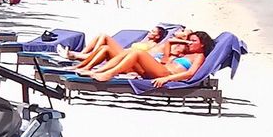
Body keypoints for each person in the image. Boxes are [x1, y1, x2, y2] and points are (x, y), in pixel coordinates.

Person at [79, 31, 215, 87]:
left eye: (193, 41)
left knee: (138, 53)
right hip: (159, 69)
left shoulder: (199, 56)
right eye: (189, 41)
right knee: (131, 52)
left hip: (166, 75)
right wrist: (185, 44)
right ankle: (99, 71)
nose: (189, 43)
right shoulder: (184, 53)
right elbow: (168, 47)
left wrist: (166, 79)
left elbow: (190, 74)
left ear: (202, 44)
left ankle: (108, 73)